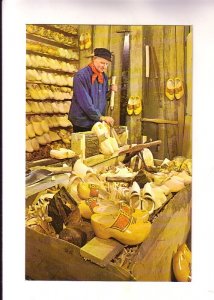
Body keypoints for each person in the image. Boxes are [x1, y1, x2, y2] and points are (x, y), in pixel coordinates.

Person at [68, 48, 117, 132]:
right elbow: (85, 102)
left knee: (95, 144)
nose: (104, 67)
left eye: (107, 64)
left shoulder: (103, 77)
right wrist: (101, 117)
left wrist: (110, 92)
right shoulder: (81, 76)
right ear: (94, 59)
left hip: (96, 121)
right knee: (83, 144)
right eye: (102, 63)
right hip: (82, 121)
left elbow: (103, 98)